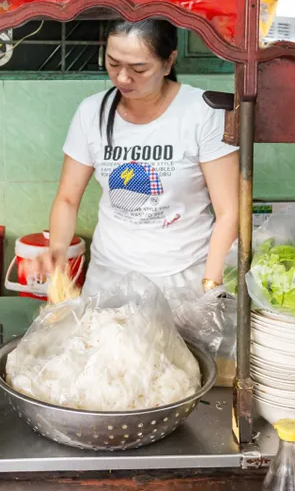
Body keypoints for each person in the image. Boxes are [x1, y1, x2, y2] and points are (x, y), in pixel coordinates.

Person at [32, 19, 239, 293]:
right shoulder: (92, 112)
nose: (122, 78)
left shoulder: (203, 113)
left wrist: (210, 285)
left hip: (184, 278)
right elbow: (68, 198)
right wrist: (57, 248)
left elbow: (229, 211)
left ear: (168, 62)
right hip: (110, 279)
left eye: (139, 68)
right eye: (113, 63)